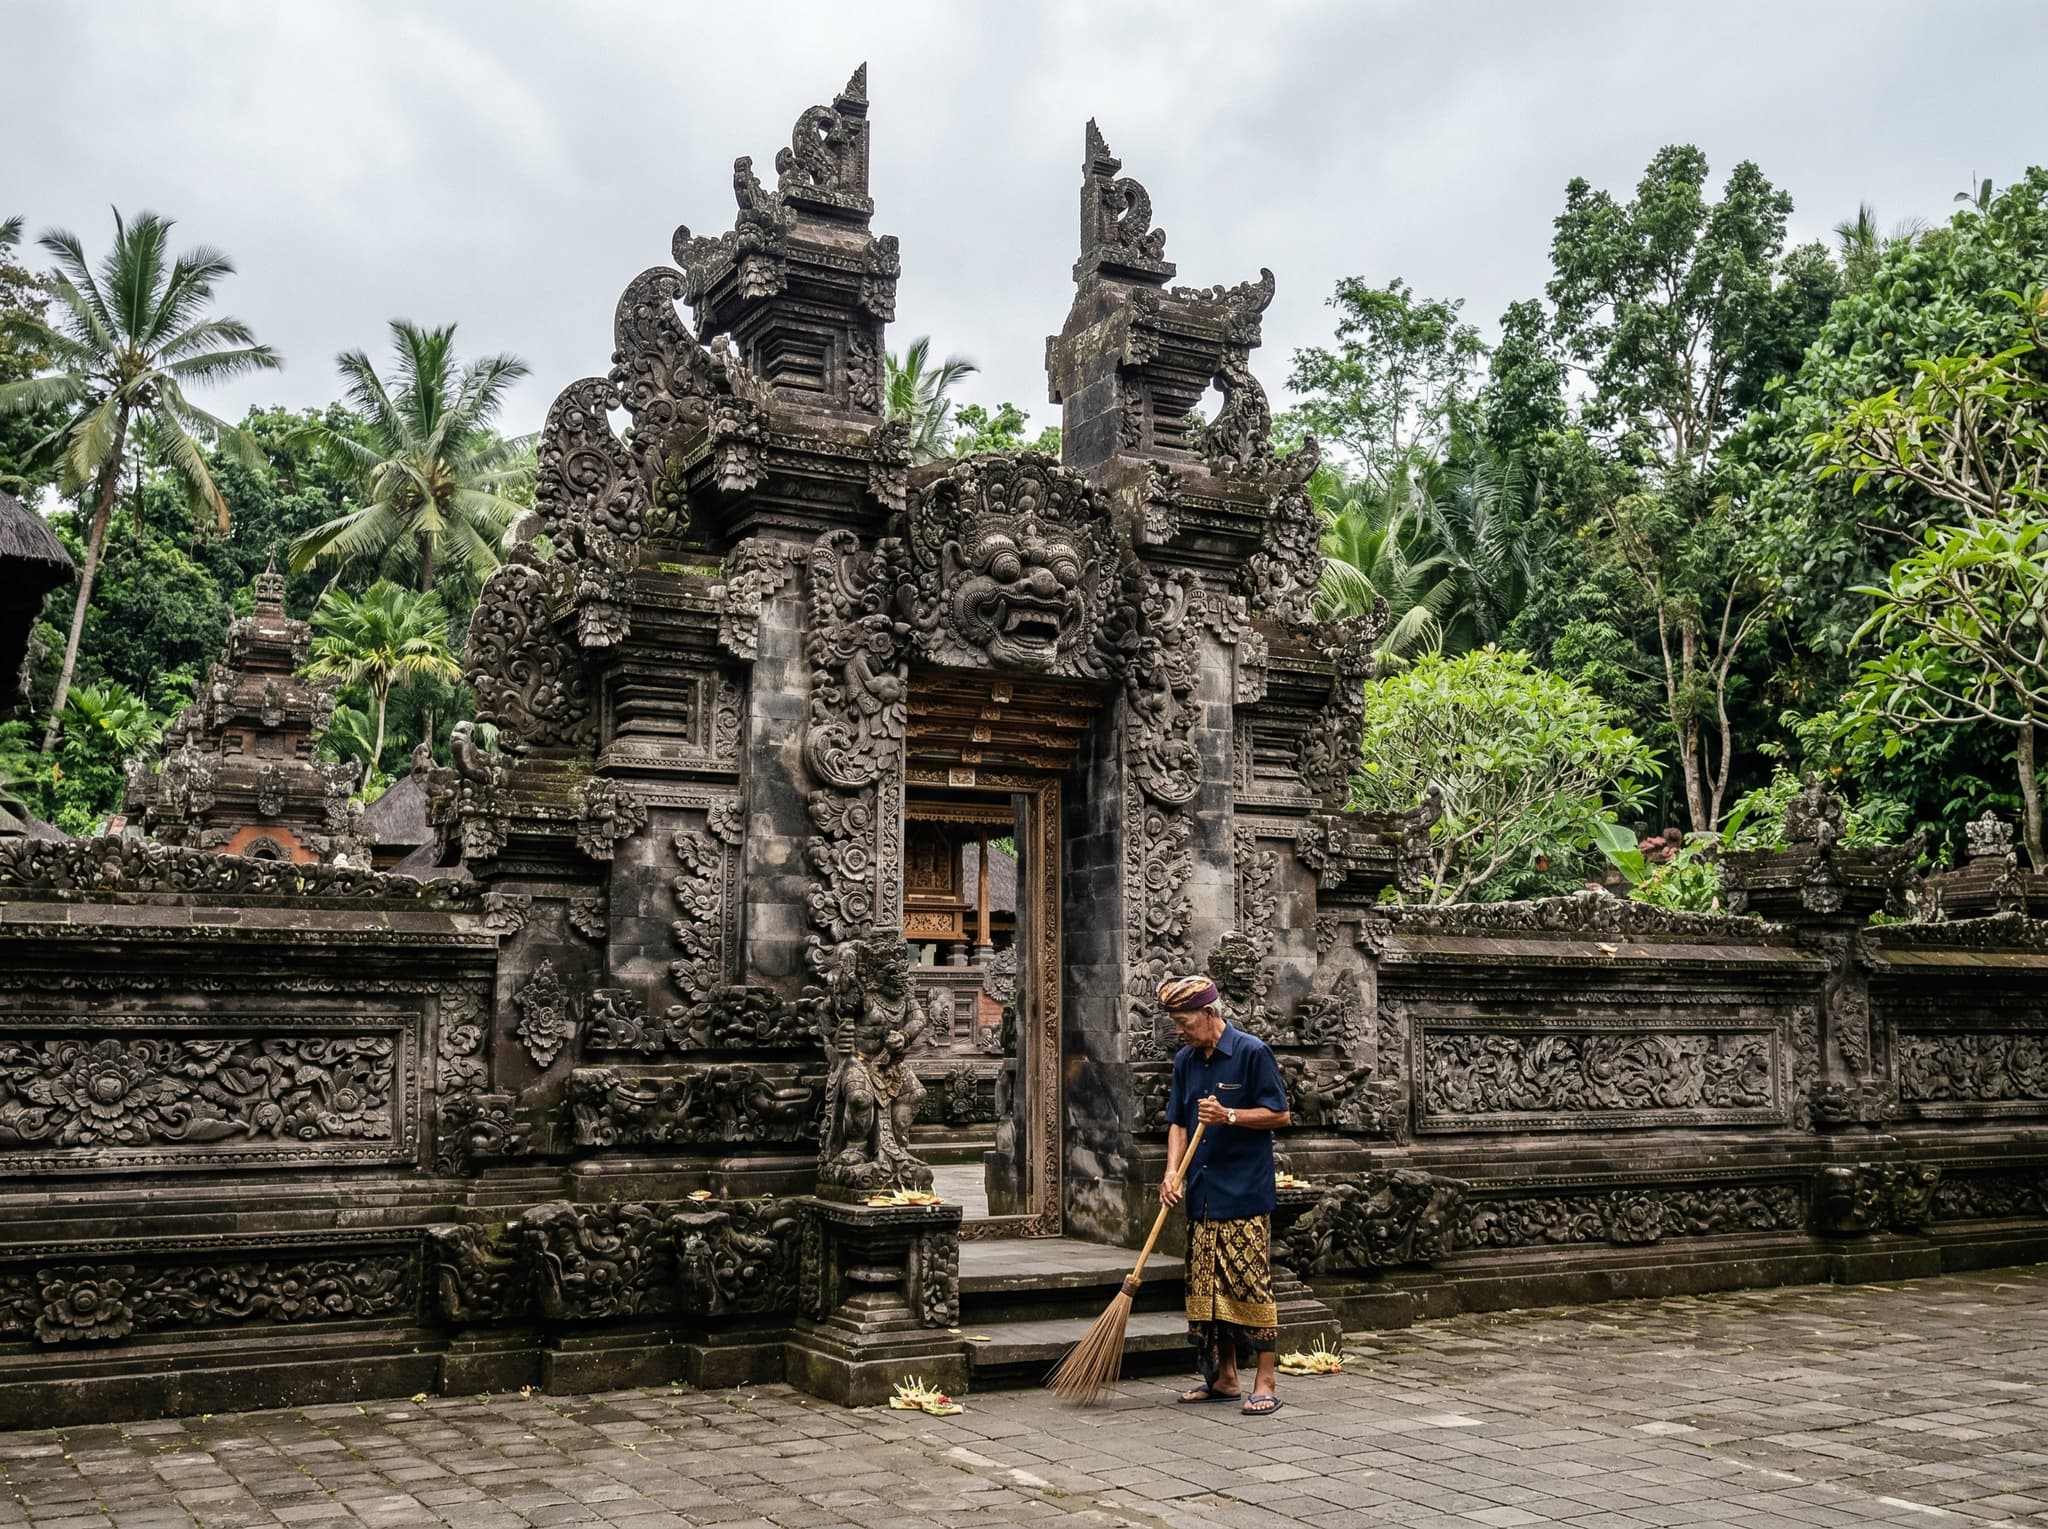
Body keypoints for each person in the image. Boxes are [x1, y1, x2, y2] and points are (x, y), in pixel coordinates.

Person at [1158, 974, 1292, 1417]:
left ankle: (1266, 1381)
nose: (1179, 1030)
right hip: (1202, 1193)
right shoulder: (1186, 1060)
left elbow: (1280, 1113)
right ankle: (1224, 1378)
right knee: (1206, 1289)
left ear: (1209, 1014)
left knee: (1249, 1285)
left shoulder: (1252, 1052)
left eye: (1183, 1021)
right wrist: (1172, 1173)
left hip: (1244, 1192)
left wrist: (1229, 1115)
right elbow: (1178, 1121)